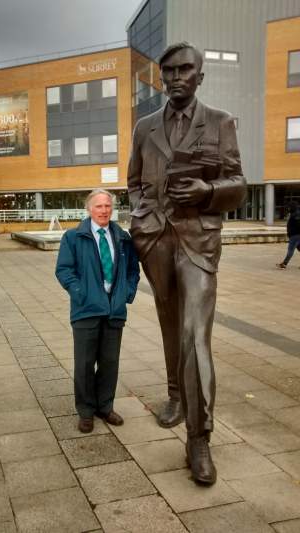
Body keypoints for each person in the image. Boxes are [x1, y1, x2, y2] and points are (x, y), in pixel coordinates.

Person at [127, 41, 246, 485]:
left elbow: (238, 184)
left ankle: (199, 438)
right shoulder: (144, 127)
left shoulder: (219, 123)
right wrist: (144, 216)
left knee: (195, 334)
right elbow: (133, 182)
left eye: (184, 70)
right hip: (155, 240)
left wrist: (206, 193)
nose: (176, 78)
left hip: (198, 241)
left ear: (200, 75)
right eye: (169, 71)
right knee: (169, 324)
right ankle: (175, 394)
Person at [55, 189, 140, 433]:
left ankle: (105, 406)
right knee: (84, 363)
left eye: (107, 206)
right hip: (86, 310)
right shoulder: (73, 237)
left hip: (114, 310)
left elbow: (133, 269)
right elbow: (64, 270)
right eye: (99, 206)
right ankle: (85, 411)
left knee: (109, 362)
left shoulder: (122, 237)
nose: (104, 210)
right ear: (89, 209)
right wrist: (81, 293)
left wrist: (127, 293)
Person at [276, 202, 300, 269]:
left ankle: (284, 264)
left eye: (289, 207)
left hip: (295, 235)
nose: (288, 209)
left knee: (290, 250)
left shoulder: (296, 215)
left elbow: (298, 225)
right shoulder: (295, 213)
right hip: (295, 235)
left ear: (292, 207)